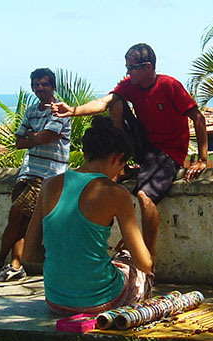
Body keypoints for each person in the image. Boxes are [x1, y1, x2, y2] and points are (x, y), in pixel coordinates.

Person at [52, 43, 207, 253]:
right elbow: (103, 103)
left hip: (167, 153)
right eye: (127, 68)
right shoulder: (129, 85)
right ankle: (122, 159)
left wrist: (202, 159)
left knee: (144, 196)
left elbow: (198, 118)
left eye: (132, 68)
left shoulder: (169, 85)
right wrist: (72, 111)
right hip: (144, 145)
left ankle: (147, 260)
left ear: (148, 67)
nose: (128, 72)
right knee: (116, 102)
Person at [23, 116, 154, 315]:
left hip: (56, 301)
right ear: (116, 158)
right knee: (129, 263)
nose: (120, 173)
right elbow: (144, 262)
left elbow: (29, 253)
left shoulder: (49, 185)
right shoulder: (116, 193)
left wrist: (70, 256)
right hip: (100, 301)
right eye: (122, 166)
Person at [0, 68, 70, 283]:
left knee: (17, 215)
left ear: (53, 86)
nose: (40, 88)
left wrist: (33, 136)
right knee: (22, 221)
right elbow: (18, 141)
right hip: (28, 172)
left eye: (44, 84)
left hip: (49, 175)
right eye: (36, 85)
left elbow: (43, 138)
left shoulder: (60, 111)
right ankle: (14, 266)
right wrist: (36, 137)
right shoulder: (31, 110)